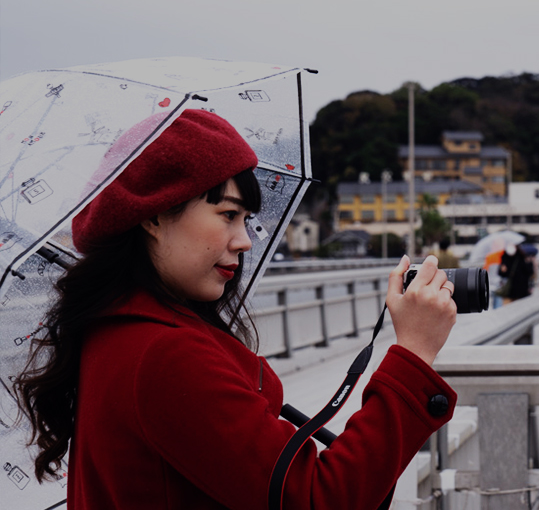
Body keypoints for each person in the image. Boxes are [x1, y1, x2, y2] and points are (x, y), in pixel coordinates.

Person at [16, 109, 458, 509]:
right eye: (228, 215)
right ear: (152, 217)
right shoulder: (165, 355)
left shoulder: (115, 332)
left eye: (246, 220)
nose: (245, 240)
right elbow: (319, 500)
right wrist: (414, 352)